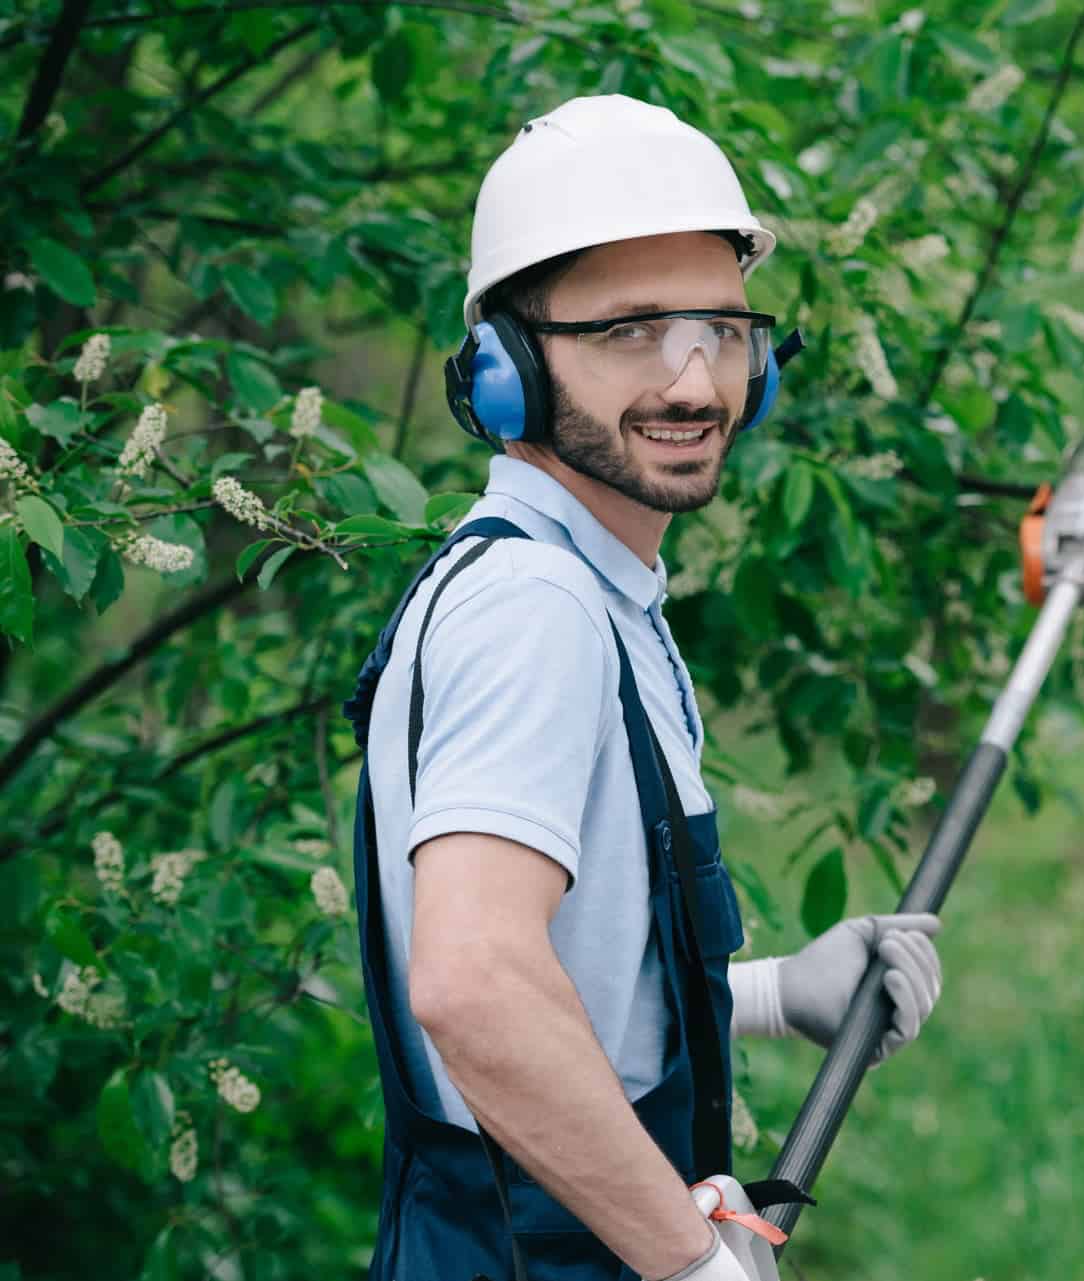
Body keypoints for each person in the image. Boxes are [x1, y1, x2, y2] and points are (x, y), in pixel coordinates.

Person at [340, 95, 945, 1281]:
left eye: (721, 328)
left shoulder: (582, 589)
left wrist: (767, 994)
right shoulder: (538, 614)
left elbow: (569, 967)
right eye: (629, 331)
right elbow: (473, 987)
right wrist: (691, 1262)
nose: (694, 381)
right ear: (507, 368)